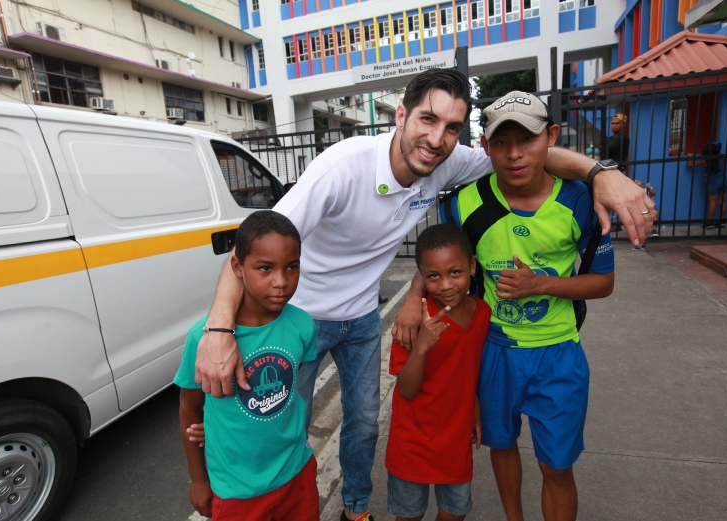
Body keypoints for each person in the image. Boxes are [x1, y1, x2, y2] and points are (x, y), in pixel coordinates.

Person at [194, 69, 653, 521]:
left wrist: (601, 174)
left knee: (363, 425)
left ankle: (354, 508)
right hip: (303, 316)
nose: (437, 138)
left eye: (452, 127)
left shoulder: (447, 161)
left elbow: (529, 156)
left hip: (361, 318)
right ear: (401, 116)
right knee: (279, 423)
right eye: (428, 120)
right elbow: (251, 246)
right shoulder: (342, 167)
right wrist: (218, 328)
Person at [395, 91, 616, 521]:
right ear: (485, 145)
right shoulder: (462, 204)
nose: (514, 154)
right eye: (501, 142)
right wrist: (411, 294)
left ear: (550, 136)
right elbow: (441, 259)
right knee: (501, 445)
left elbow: (603, 283)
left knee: (557, 466)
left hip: (558, 352)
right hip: (494, 351)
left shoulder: (582, 202)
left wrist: (543, 285)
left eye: (528, 140)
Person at [175, 211, 319, 521]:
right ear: (238, 267)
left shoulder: (302, 325)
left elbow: (294, 392)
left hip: (297, 474)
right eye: (265, 268)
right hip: (237, 490)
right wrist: (199, 479)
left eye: (291, 267)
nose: (281, 281)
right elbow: (189, 408)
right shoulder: (202, 341)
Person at [386, 224, 491, 521]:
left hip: (455, 440)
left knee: (454, 513)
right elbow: (406, 390)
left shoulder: (482, 313)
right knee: (409, 516)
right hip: (412, 442)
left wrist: (475, 409)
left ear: (472, 266)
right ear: (421, 275)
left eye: (454, 272)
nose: (445, 285)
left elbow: (468, 368)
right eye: (433, 276)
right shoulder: (413, 321)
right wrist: (421, 347)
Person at [687, 141, 727, 229]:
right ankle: (722, 221)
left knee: (713, 203)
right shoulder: (721, 159)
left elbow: (690, 166)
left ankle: (710, 222)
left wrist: (690, 157)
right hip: (724, 182)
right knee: (722, 201)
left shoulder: (705, 161)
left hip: (712, 183)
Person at [633, 179, 659, 248]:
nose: (637, 182)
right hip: (640, 209)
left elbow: (653, 193)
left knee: (655, 213)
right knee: (642, 225)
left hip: (650, 207)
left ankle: (654, 230)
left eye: (638, 181)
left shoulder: (646, 189)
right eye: (635, 182)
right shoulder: (633, 191)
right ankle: (641, 244)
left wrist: (649, 187)